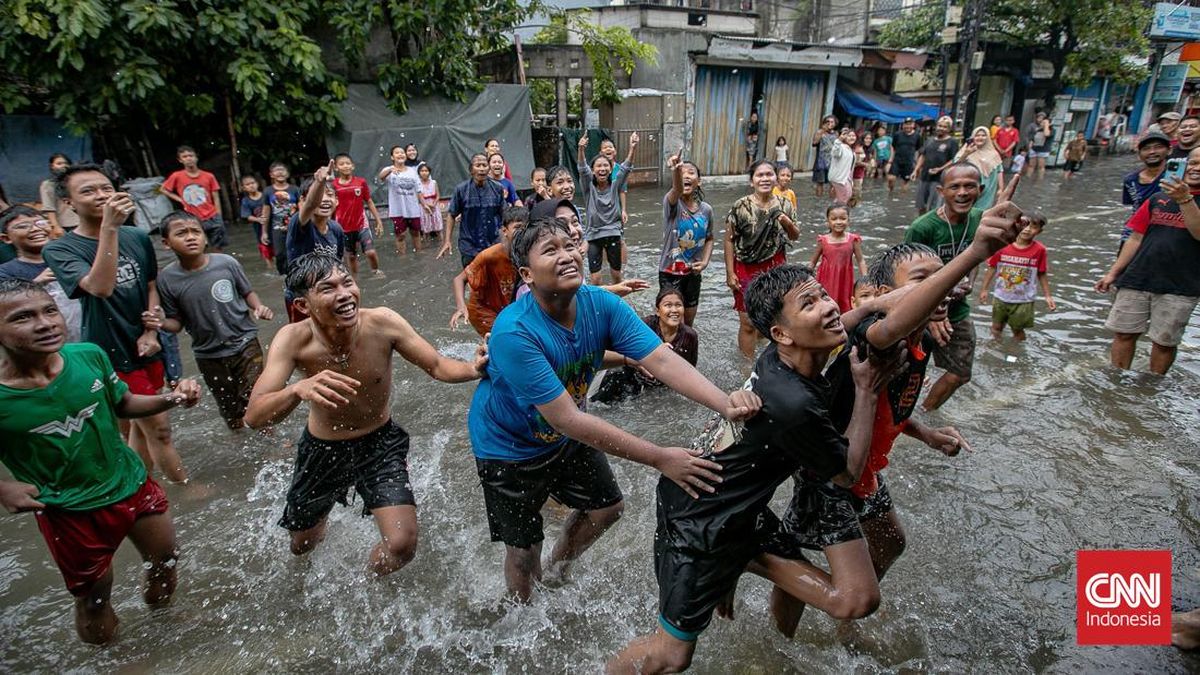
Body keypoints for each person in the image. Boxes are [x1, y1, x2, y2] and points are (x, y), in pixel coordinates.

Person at [753, 205, 1024, 643]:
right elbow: (891, 322)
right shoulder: (877, 337)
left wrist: (928, 434)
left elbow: (890, 408)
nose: (942, 285)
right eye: (924, 280)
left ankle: (837, 605)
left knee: (891, 542)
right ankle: (783, 632)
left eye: (943, 274)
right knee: (801, 558)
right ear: (884, 294)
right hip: (834, 474)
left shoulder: (921, 340)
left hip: (866, 470)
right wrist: (973, 253)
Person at [607, 264, 894, 674]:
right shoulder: (792, 402)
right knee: (672, 656)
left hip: (739, 512)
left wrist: (880, 303)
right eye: (810, 303)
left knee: (857, 598)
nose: (831, 308)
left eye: (826, 296)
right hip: (697, 525)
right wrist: (866, 391)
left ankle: (742, 563)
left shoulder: (784, 356)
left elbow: (839, 322)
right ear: (781, 334)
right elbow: (846, 475)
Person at [467, 217, 761, 602]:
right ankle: (521, 618)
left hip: (562, 435)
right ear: (527, 274)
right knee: (523, 551)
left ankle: (558, 570)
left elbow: (661, 359)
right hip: (507, 447)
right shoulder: (513, 331)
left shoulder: (601, 304)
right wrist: (660, 457)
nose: (568, 255)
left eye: (570, 245)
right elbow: (568, 419)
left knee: (607, 508)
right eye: (550, 250)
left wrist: (727, 403)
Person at [244, 253, 486, 576]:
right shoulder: (292, 341)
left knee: (402, 544)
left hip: (380, 444)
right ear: (303, 305)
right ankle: (321, 525)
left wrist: (474, 368)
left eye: (347, 282)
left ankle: (361, 581)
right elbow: (254, 416)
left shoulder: (383, 323)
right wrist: (297, 390)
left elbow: (438, 365)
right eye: (328, 288)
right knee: (302, 545)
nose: (344, 294)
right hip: (322, 449)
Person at [0, 278, 200, 644]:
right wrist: (4, 488)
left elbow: (122, 403)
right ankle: (111, 658)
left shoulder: (88, 355)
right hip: (70, 508)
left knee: (166, 559)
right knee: (94, 597)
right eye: (23, 318)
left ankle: (163, 622)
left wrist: (171, 399)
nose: (45, 324)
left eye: (49, 311)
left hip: (132, 483)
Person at [43, 164, 190, 485]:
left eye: (106, 188)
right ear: (68, 203)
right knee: (159, 428)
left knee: (140, 426)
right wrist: (109, 229)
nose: (101, 195)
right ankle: (186, 490)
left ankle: (140, 485)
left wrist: (153, 330)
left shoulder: (136, 236)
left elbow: (151, 285)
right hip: (107, 350)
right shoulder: (60, 248)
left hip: (147, 345)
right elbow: (99, 287)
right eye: (88, 191)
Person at [156, 212, 273, 429]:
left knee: (256, 398)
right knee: (229, 407)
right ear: (166, 243)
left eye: (196, 232)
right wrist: (159, 322)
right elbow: (176, 323)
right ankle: (239, 443)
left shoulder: (226, 263)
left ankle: (269, 439)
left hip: (245, 342)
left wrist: (258, 307)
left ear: (206, 237)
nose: (191, 237)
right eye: (182, 233)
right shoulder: (167, 279)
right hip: (208, 354)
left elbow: (247, 292)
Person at [1095, 146, 1200, 376]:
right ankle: (1117, 380)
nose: (1196, 168)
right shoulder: (1157, 198)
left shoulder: (1187, 201)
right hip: (1137, 277)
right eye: (1193, 163)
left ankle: (1152, 385)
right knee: (1123, 333)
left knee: (1164, 342)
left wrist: (1185, 200)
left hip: (1180, 285)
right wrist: (1113, 273)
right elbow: (1135, 238)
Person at [903, 161, 1000, 410]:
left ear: (980, 189)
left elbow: (978, 256)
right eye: (954, 186)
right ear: (941, 191)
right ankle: (900, 421)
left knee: (960, 373)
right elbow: (904, 276)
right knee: (904, 372)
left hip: (957, 310)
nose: (962, 192)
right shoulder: (922, 228)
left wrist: (970, 282)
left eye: (969, 186)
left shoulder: (982, 221)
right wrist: (931, 313)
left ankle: (926, 413)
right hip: (920, 312)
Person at [725, 160, 800, 358]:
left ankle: (772, 360)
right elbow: (729, 240)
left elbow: (794, 236)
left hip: (775, 266)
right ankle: (746, 368)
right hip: (745, 267)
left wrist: (786, 221)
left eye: (769, 174)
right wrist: (730, 273)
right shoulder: (740, 206)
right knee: (747, 322)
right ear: (752, 181)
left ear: (776, 178)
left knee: (773, 317)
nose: (765, 179)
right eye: (760, 175)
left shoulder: (785, 203)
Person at [590, 286, 699, 405]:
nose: (674, 310)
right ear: (658, 310)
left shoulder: (690, 336)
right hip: (631, 374)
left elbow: (689, 370)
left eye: (678, 305)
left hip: (658, 384)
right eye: (668, 305)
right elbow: (618, 348)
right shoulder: (644, 326)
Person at [0, 206, 83, 341]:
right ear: (6, 238)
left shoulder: (71, 258)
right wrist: (35, 284)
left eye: (40, 223)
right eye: (23, 226)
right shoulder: (5, 272)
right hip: (43, 337)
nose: (35, 229)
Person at [449, 205, 525, 336]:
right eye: (517, 228)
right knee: (500, 341)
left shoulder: (529, 253)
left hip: (506, 306)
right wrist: (461, 308)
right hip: (483, 310)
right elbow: (459, 279)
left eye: (526, 228)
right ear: (505, 231)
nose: (522, 233)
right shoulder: (489, 256)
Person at [979, 210, 1054, 340]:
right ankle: (995, 348)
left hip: (1023, 300)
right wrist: (984, 289)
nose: (1027, 230)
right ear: (1016, 225)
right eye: (1024, 225)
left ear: (1039, 231)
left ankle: (1015, 353)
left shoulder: (1039, 250)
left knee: (1018, 330)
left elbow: (1041, 273)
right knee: (996, 327)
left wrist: (1048, 296)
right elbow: (992, 267)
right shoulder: (1002, 245)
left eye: (1033, 227)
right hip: (1000, 297)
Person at [658, 151, 714, 326]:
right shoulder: (672, 203)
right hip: (669, 272)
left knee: (688, 322)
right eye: (682, 174)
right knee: (671, 321)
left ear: (699, 181)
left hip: (693, 273)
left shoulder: (706, 210)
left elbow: (710, 238)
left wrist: (704, 262)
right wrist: (676, 169)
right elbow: (676, 189)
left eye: (691, 172)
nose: (686, 176)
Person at [285, 163, 346, 322]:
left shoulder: (336, 229)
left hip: (328, 294)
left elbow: (338, 264)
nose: (325, 200)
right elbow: (311, 204)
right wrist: (319, 181)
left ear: (337, 201)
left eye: (330, 194)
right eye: (321, 195)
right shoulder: (299, 225)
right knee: (305, 341)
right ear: (302, 201)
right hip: (302, 298)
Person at [578, 133, 634, 285]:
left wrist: (632, 148)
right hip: (594, 235)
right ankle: (599, 305)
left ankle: (618, 304)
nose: (602, 168)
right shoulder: (588, 187)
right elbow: (582, 169)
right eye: (598, 166)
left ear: (610, 170)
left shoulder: (615, 184)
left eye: (605, 166)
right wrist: (581, 149)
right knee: (595, 278)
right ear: (593, 170)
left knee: (616, 275)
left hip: (613, 233)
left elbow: (625, 169)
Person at [439, 154, 506, 268]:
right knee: (472, 280)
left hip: (493, 243)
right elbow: (451, 215)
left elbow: (504, 215)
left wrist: (507, 239)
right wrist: (447, 241)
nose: (481, 168)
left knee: (493, 278)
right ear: (471, 170)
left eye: (484, 165)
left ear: (488, 169)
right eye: (478, 165)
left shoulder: (498, 188)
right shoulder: (461, 190)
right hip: (469, 245)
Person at [161, 146, 225, 252]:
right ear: (180, 160)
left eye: (191, 156)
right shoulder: (177, 176)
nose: (188, 158)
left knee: (218, 246)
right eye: (185, 157)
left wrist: (219, 216)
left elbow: (216, 197)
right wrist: (180, 199)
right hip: (193, 218)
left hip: (212, 215)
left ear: (196, 158)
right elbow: (163, 189)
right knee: (198, 246)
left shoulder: (209, 176)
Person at [331, 153, 384, 278]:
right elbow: (331, 206)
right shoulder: (334, 185)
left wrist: (378, 220)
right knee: (351, 256)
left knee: (370, 252)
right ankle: (354, 279)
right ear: (336, 168)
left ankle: (376, 271)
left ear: (353, 166)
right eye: (342, 164)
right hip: (343, 227)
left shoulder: (361, 182)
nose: (345, 166)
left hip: (361, 224)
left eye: (348, 163)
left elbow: (369, 201)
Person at [809, 204, 866, 313]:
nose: (838, 222)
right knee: (825, 304)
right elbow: (813, 262)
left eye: (843, 218)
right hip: (826, 280)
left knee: (845, 304)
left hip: (845, 279)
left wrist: (865, 278)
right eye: (834, 219)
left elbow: (861, 260)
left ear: (849, 220)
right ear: (828, 222)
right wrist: (806, 277)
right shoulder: (823, 240)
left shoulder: (853, 239)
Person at [1120, 132, 1170, 249]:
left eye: (1158, 147)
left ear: (1169, 150)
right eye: (1146, 149)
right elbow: (1133, 205)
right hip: (1135, 230)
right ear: (1140, 154)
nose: (1152, 152)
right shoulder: (1130, 180)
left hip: (1165, 230)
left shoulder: (1176, 176)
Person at [379, 146, 424, 256]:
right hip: (397, 210)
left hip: (413, 209)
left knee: (416, 233)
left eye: (402, 152)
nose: (400, 154)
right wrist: (390, 170)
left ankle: (419, 255)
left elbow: (418, 190)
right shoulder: (389, 170)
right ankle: (402, 258)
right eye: (397, 153)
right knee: (400, 235)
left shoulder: (413, 172)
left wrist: (424, 205)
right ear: (392, 157)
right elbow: (381, 177)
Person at [911, 116, 959, 214]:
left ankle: (932, 227)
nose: (941, 128)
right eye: (940, 126)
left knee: (935, 206)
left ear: (949, 129)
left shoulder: (952, 142)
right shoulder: (929, 140)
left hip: (939, 179)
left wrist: (940, 169)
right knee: (920, 205)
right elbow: (923, 155)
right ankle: (921, 225)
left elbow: (954, 160)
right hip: (924, 176)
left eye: (945, 127)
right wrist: (915, 170)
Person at [955, 126, 1006, 209]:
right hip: (970, 189)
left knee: (982, 213)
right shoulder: (967, 150)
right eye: (977, 135)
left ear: (988, 137)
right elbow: (955, 166)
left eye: (983, 135)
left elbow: (999, 170)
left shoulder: (993, 154)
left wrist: (1001, 188)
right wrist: (966, 154)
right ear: (973, 137)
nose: (980, 137)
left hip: (988, 190)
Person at [267, 162, 301, 276]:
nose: (280, 172)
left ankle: (298, 273)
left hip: (294, 226)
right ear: (271, 174)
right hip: (276, 228)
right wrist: (263, 232)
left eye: (283, 170)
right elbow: (266, 212)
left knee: (297, 251)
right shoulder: (268, 191)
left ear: (288, 174)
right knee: (280, 254)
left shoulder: (295, 189)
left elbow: (302, 207)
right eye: (277, 170)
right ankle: (283, 276)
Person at [239, 174, 273, 270]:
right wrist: (258, 219)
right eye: (247, 184)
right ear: (244, 188)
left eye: (252, 183)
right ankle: (270, 269)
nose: (251, 185)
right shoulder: (246, 201)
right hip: (259, 230)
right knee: (266, 251)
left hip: (272, 226)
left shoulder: (265, 196)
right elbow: (247, 216)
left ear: (257, 184)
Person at [40, 153, 78, 232]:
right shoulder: (48, 184)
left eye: (66, 163)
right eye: (59, 163)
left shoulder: (75, 181)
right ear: (52, 166)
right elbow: (49, 207)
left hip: (83, 221)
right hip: (65, 225)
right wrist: (56, 226)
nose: (64, 166)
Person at [888, 118, 921, 194]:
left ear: (913, 125)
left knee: (905, 181)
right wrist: (891, 159)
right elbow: (893, 147)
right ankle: (891, 192)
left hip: (909, 162)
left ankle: (901, 199)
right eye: (906, 124)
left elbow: (918, 150)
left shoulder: (917, 136)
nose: (908, 126)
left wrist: (915, 163)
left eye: (910, 124)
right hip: (897, 160)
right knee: (891, 178)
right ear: (903, 125)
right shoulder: (897, 134)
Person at [418, 162, 445, 247]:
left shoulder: (434, 182)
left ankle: (442, 244)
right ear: (419, 173)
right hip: (424, 207)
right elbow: (419, 197)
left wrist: (435, 203)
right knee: (426, 229)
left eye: (426, 170)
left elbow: (438, 195)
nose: (424, 172)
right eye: (422, 171)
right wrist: (428, 205)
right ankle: (427, 246)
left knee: (438, 227)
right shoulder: (418, 184)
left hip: (435, 206)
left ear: (429, 172)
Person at [811, 116, 838, 197]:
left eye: (832, 122)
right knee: (820, 183)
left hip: (833, 162)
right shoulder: (820, 132)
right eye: (827, 121)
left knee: (833, 183)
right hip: (821, 162)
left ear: (835, 123)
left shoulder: (836, 134)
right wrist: (823, 131)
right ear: (824, 123)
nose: (830, 123)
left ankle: (831, 203)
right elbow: (814, 143)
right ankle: (818, 201)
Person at [828, 128, 856, 205]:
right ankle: (837, 214)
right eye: (849, 135)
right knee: (843, 200)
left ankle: (838, 214)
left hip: (846, 179)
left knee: (845, 199)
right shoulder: (840, 147)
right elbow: (835, 153)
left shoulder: (851, 150)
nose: (852, 137)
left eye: (853, 135)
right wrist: (838, 140)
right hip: (840, 179)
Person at [1023, 112, 1053, 178]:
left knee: (1040, 166)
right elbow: (1033, 139)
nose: (1041, 123)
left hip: (1043, 150)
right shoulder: (1038, 130)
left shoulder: (1051, 130)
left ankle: (1040, 180)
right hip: (1034, 149)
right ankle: (1028, 178)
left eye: (1043, 122)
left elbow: (1046, 134)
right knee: (1031, 165)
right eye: (1041, 122)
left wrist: (1046, 125)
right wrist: (1029, 146)